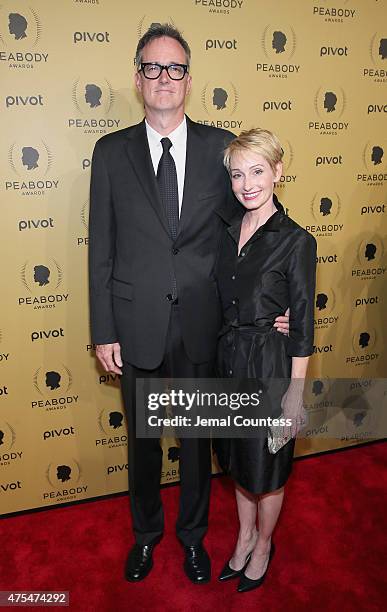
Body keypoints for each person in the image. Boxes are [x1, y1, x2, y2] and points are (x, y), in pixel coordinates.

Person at [88, 25, 289, 585]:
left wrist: (284, 292)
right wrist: (104, 329)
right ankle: (146, 537)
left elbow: (261, 210)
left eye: (175, 68)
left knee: (198, 445)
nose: (165, 79)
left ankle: (193, 538)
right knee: (145, 443)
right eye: (153, 68)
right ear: (138, 79)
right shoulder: (110, 153)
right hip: (136, 326)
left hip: (205, 326)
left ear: (189, 79)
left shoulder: (218, 148)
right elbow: (101, 247)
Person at [215, 128, 316, 592]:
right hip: (229, 362)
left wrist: (296, 394)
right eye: (238, 174)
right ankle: (243, 535)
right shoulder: (227, 228)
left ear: (278, 171)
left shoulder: (296, 241)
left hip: (272, 370)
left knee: (269, 471)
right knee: (238, 462)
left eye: (257, 171)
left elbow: (303, 324)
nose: (247, 183)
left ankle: (263, 544)